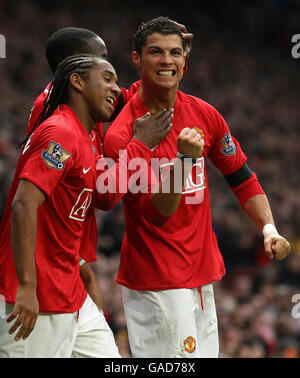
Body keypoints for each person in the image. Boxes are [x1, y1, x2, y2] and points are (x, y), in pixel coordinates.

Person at [103, 17, 292, 358]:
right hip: (157, 282)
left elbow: (242, 178)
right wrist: (186, 161)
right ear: (136, 59)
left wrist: (268, 227)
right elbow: (155, 214)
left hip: (201, 275)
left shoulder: (205, 114)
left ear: (185, 61)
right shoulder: (125, 132)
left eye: (175, 52)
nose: (166, 61)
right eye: (155, 52)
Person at [0, 52, 203, 357]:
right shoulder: (60, 131)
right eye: (107, 78)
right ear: (77, 81)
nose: (114, 89)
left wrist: (83, 269)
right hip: (35, 296)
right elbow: (23, 205)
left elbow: (104, 197)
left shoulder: (85, 137)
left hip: (70, 292)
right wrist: (27, 287)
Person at [25, 26, 192, 310]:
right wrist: (139, 144)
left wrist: (166, 60)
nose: (112, 83)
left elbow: (136, 97)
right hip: (45, 265)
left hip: (66, 255)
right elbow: (104, 196)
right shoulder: (58, 116)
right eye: (102, 65)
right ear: (76, 72)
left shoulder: (76, 106)